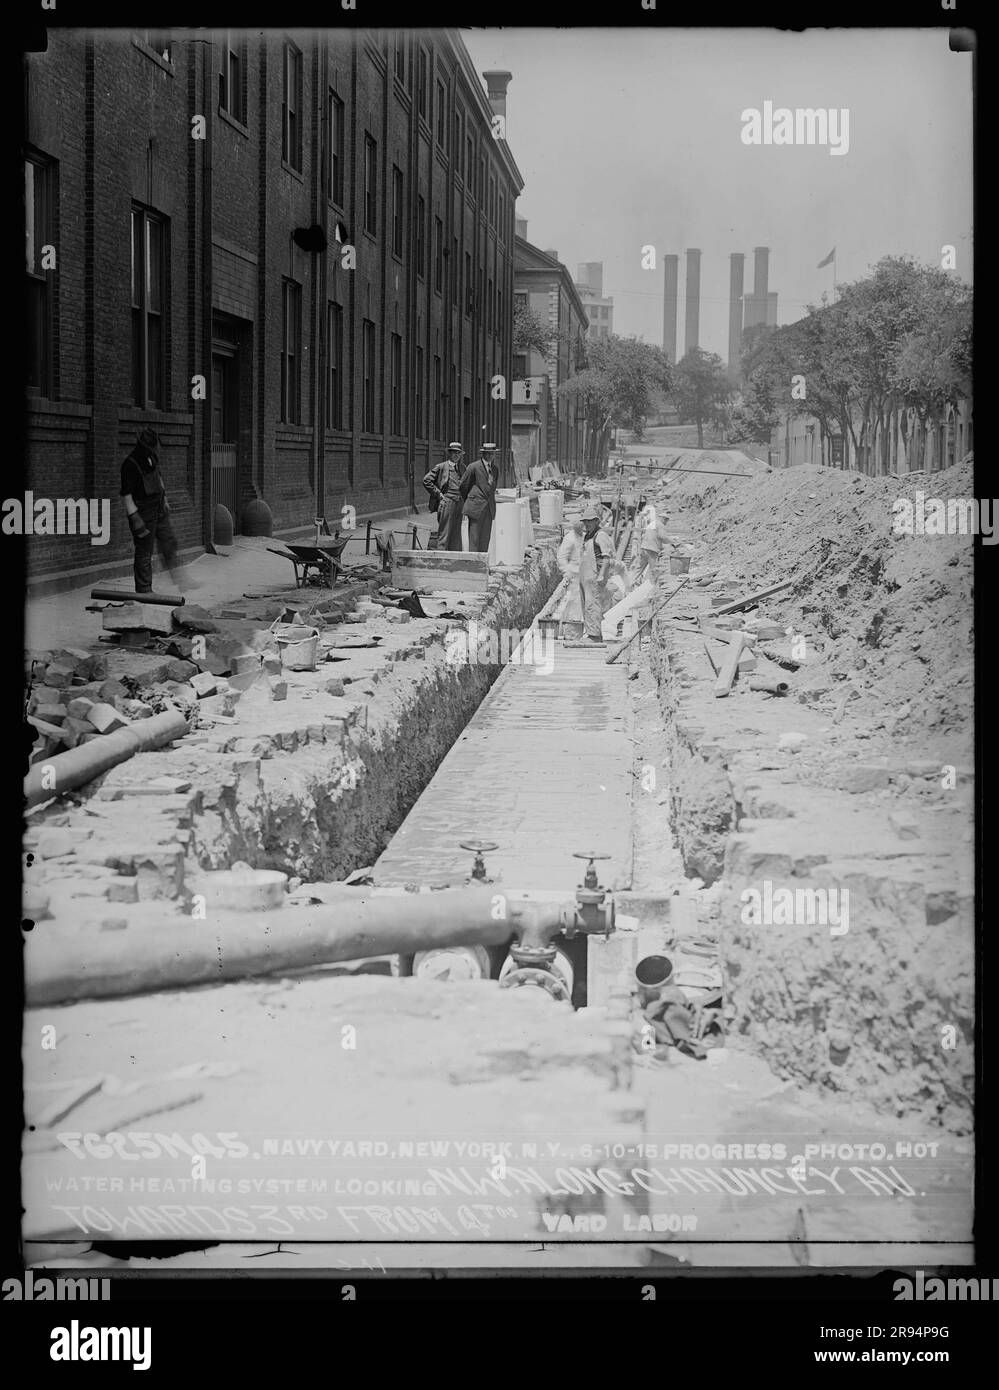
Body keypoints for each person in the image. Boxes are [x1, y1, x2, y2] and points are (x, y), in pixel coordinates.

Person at [120, 428, 191, 594]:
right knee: (144, 551)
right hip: (143, 513)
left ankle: (181, 581)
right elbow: (126, 494)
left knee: (169, 542)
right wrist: (134, 517)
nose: (155, 449)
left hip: (159, 508)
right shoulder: (130, 464)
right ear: (143, 446)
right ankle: (144, 589)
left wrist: (164, 499)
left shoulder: (151, 457)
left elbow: (158, 477)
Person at [577, 502, 615, 643]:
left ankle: (594, 635)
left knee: (593, 605)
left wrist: (601, 575)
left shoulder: (601, 535)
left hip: (594, 576)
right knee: (586, 605)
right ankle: (591, 633)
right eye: (585, 521)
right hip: (584, 576)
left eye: (589, 521)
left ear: (596, 521)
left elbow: (606, 557)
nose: (586, 524)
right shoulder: (587, 536)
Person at [423, 443, 465, 550]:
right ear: (449, 454)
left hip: (459, 502)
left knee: (456, 533)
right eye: (454, 452)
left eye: (458, 453)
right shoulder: (441, 467)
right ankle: (441, 556)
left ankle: (455, 559)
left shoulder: (462, 467)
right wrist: (438, 494)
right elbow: (426, 480)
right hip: (447, 501)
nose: (456, 455)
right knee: (445, 532)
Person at [459, 442, 499, 553]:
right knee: (474, 539)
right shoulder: (473, 467)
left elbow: (492, 489)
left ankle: (482, 564)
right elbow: (463, 486)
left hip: (489, 509)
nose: (490, 456)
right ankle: (474, 565)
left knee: (485, 539)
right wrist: (471, 501)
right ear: (483, 454)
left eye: (492, 453)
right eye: (487, 453)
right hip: (476, 508)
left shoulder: (495, 469)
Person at [556, 519, 585, 636]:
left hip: (583, 575)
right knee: (572, 604)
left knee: (581, 603)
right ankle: (570, 632)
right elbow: (561, 557)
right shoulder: (570, 538)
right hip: (573, 576)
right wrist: (566, 571)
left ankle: (579, 629)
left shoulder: (583, 536)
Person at [632, 502, 671, 585]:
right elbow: (663, 537)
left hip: (644, 548)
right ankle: (653, 586)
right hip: (652, 550)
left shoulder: (652, 523)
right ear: (663, 518)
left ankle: (630, 583)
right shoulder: (660, 524)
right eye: (666, 520)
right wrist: (672, 542)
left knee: (639, 568)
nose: (666, 522)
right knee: (654, 569)